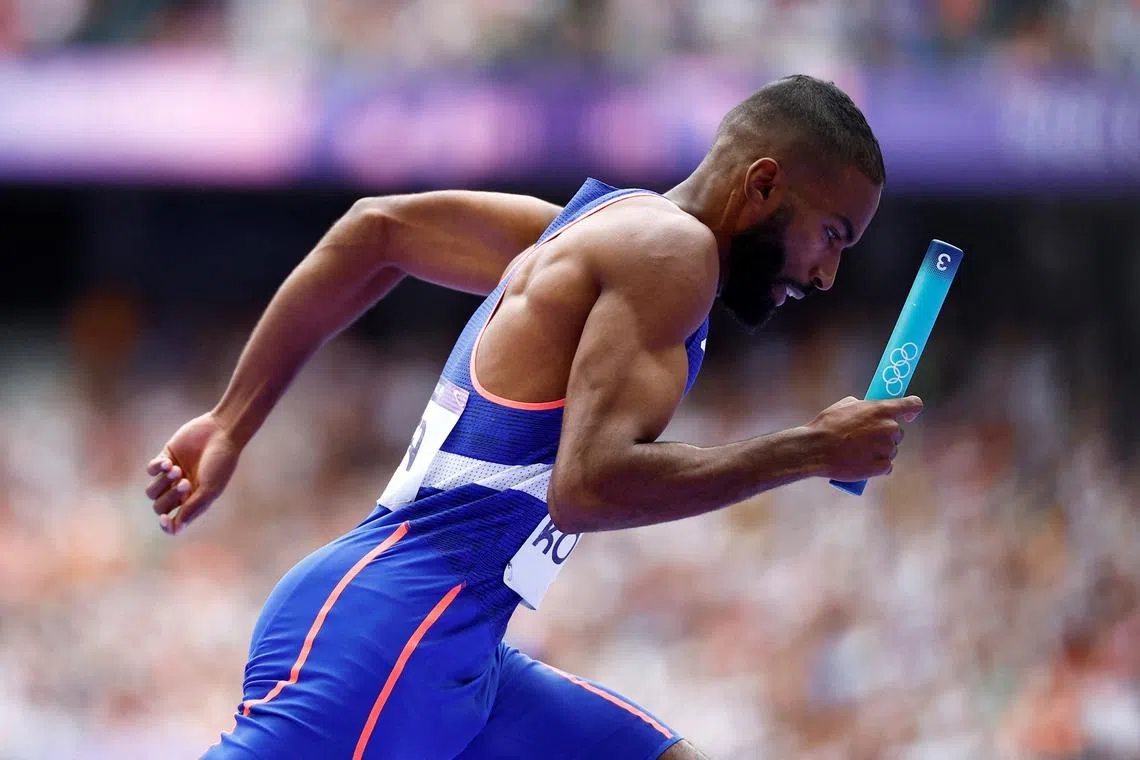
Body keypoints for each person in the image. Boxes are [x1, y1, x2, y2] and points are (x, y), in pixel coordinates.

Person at [145, 74, 922, 759]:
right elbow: (587, 487)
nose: (826, 274)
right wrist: (809, 450)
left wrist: (230, 421)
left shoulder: (593, 231)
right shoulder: (673, 252)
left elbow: (376, 229)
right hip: (397, 632)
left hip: (459, 652)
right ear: (761, 185)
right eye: (832, 235)